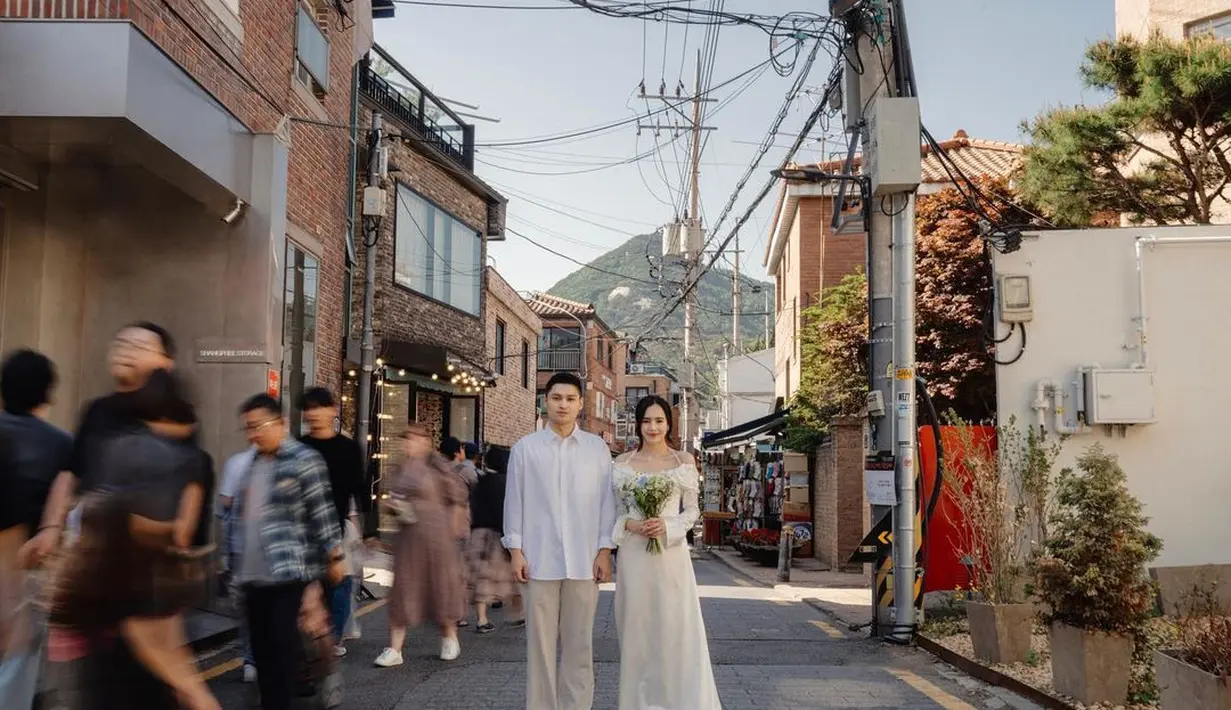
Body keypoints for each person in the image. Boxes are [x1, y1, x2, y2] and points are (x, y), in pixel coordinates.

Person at [503, 372, 617, 710]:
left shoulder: (597, 450)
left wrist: (604, 550)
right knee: (539, 647)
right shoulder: (526, 449)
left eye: (570, 399)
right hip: (538, 561)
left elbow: (606, 504)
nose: (562, 404)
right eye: (556, 398)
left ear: (581, 404)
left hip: (584, 562)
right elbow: (515, 502)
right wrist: (515, 552)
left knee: (579, 645)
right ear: (545, 401)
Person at [21, 321, 176, 565]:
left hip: (142, 562)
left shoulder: (173, 419)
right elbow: (71, 473)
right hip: (86, 552)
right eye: (121, 344)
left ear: (166, 364)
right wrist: (50, 528)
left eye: (139, 346)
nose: (126, 350)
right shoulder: (97, 410)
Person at [49, 492, 220, 710]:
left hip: (85, 697)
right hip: (139, 695)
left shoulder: (69, 586)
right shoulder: (134, 584)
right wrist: (196, 692)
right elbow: (154, 645)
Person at [231, 394, 344, 710]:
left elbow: (322, 511)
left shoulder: (304, 460)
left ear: (279, 423)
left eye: (257, 426)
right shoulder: (253, 463)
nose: (252, 434)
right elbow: (241, 516)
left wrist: (334, 555)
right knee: (262, 653)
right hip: (253, 575)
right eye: (248, 428)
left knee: (281, 651)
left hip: (287, 573)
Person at [611, 395, 720, 710]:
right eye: (646, 421)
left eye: (659, 421)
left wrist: (668, 527)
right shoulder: (622, 464)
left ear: (669, 424)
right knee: (637, 632)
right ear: (638, 425)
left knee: (675, 631)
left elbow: (692, 512)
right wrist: (632, 525)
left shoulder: (683, 461)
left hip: (671, 557)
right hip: (634, 557)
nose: (653, 427)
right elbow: (616, 513)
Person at [374, 422, 469, 667]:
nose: (409, 443)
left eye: (414, 438)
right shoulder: (400, 467)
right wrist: (391, 507)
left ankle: (449, 637)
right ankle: (395, 648)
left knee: (440, 587)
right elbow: (389, 499)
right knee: (404, 588)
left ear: (426, 441)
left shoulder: (437, 466)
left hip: (437, 537)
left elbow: (458, 496)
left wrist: (456, 524)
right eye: (406, 439)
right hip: (408, 538)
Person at [298, 387, 373, 657]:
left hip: (336, 533)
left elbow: (359, 491)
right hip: (301, 537)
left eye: (319, 407)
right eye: (308, 408)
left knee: (337, 591)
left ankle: (332, 643)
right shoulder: (298, 448)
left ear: (333, 410)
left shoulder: (348, 449)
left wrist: (364, 533)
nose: (313, 413)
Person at [464, 444, 523, 634]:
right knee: (511, 578)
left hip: (477, 534)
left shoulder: (480, 481)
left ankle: (482, 619)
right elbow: (506, 512)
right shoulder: (507, 483)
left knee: (482, 579)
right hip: (498, 536)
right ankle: (517, 613)